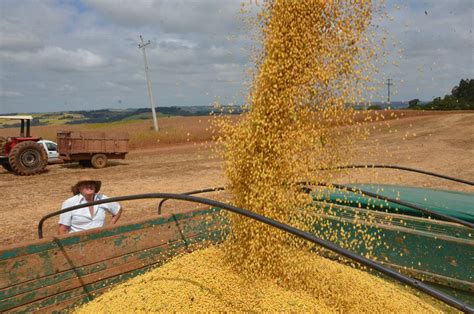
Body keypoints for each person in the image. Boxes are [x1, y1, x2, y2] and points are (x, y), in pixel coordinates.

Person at [58, 176, 122, 234]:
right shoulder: (70, 203)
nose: (89, 186)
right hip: (79, 242)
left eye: (91, 184)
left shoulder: (102, 198)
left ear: (95, 187)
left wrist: (109, 227)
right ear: (79, 188)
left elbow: (118, 209)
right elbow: (62, 230)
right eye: (85, 184)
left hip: (101, 239)